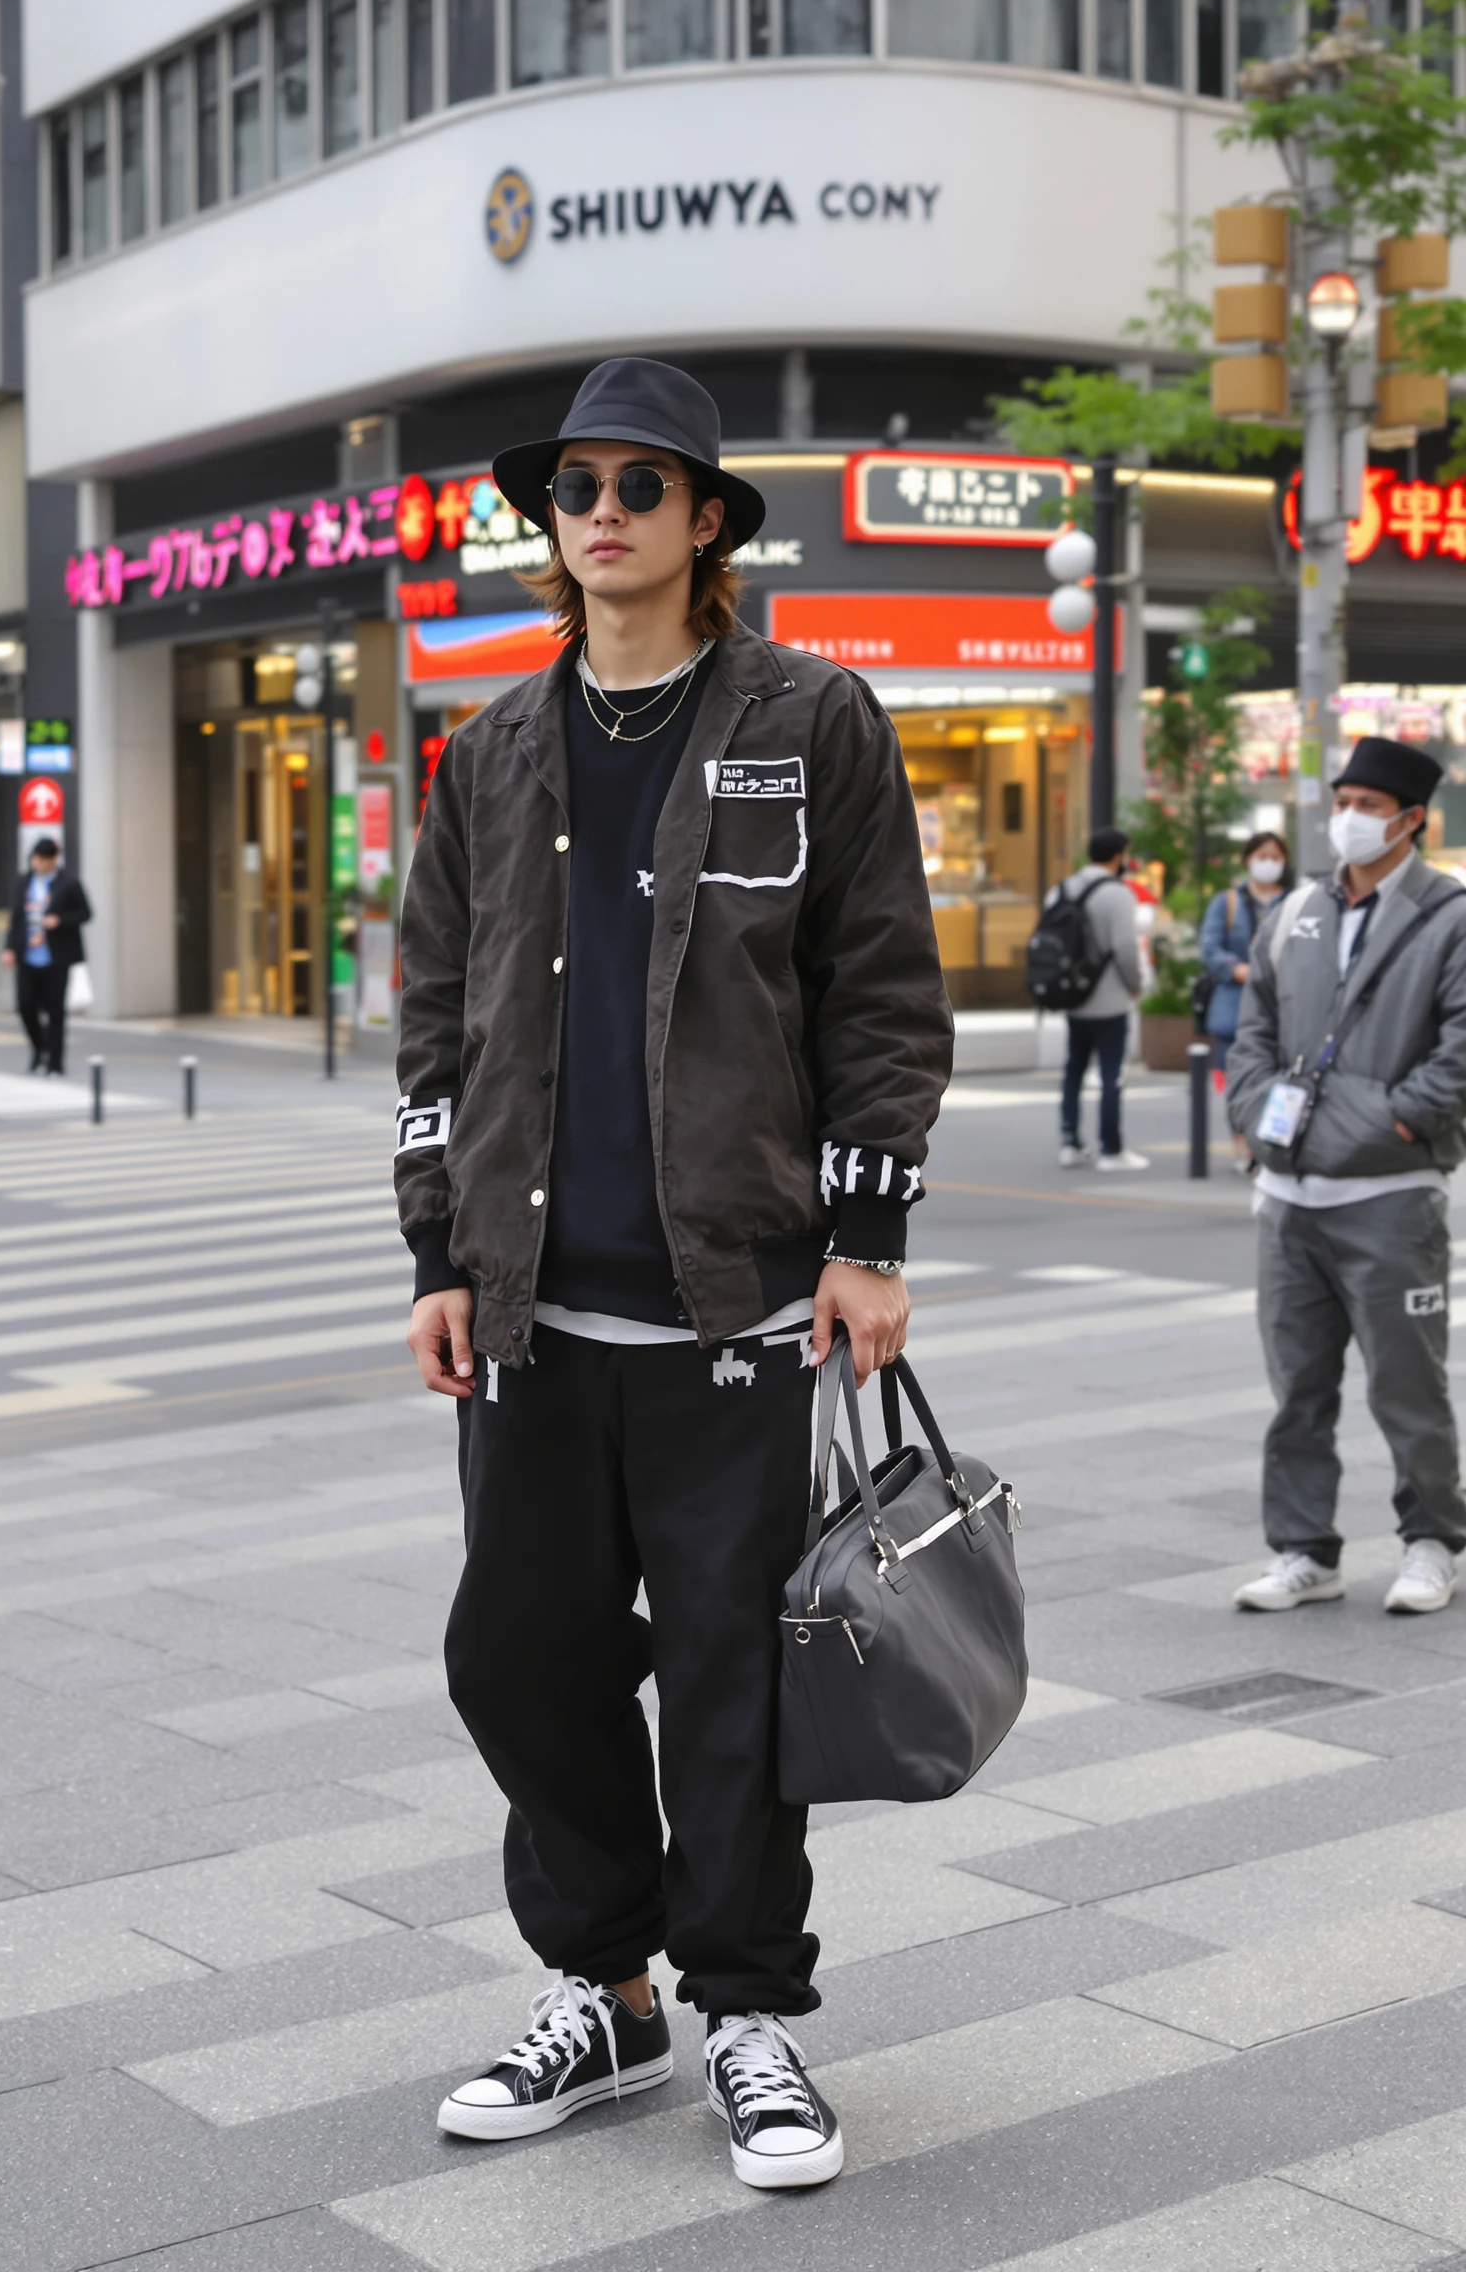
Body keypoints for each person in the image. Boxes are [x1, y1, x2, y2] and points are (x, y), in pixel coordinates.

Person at [397, 358, 952, 2192]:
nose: (605, 510)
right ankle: (608, 1984)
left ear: (708, 517)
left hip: (732, 1312)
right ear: (549, 526)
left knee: (729, 1671)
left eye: (644, 482)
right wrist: (435, 1252)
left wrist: (866, 1237)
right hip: (532, 1316)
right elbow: (433, 1026)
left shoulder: (811, 715)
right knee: (512, 1653)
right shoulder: (490, 754)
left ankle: (741, 2009)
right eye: (576, 487)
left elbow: (879, 991)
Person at [1228, 735, 1466, 1618]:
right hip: (1288, 1197)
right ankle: (1303, 1551)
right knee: (1297, 1390)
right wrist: (1253, 1112)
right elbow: (1254, 1024)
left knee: (1408, 1388)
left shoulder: (1450, 916)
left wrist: (1393, 1119)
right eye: (1345, 799)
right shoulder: (1296, 912)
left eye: (1371, 804)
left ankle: (1433, 1541)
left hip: (1392, 1195)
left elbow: (1460, 1050)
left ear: (1412, 820)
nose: (1351, 817)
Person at [1053, 826, 1147, 1172]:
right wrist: (1135, 984)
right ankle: (1111, 1149)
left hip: (1073, 996)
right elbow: (1125, 947)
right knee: (1112, 1074)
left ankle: (1070, 1142)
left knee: (1073, 1070)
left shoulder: (1063, 888)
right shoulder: (1117, 894)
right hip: (1109, 998)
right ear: (1118, 856)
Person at [1198, 829, 1290, 1174]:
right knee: (1238, 1076)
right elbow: (1208, 947)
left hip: (1284, 1002)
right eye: (1262, 855)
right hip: (1235, 1004)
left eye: (1276, 856)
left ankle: (1273, 1144)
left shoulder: (1296, 900)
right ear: (1249, 859)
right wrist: (1235, 969)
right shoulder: (1228, 901)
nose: (1269, 863)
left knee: (1282, 1076)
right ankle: (1244, 1145)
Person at [2, 835, 91, 1076]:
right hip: (28, 955)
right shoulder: (24, 882)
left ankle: (56, 1062)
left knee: (55, 1011)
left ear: (54, 859)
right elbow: (16, 919)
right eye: (35, 859)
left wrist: (59, 920)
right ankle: (40, 1048)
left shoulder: (69, 883)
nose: (37, 864)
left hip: (56, 957)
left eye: (43, 859)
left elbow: (85, 913)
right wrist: (9, 948)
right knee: (25, 1005)